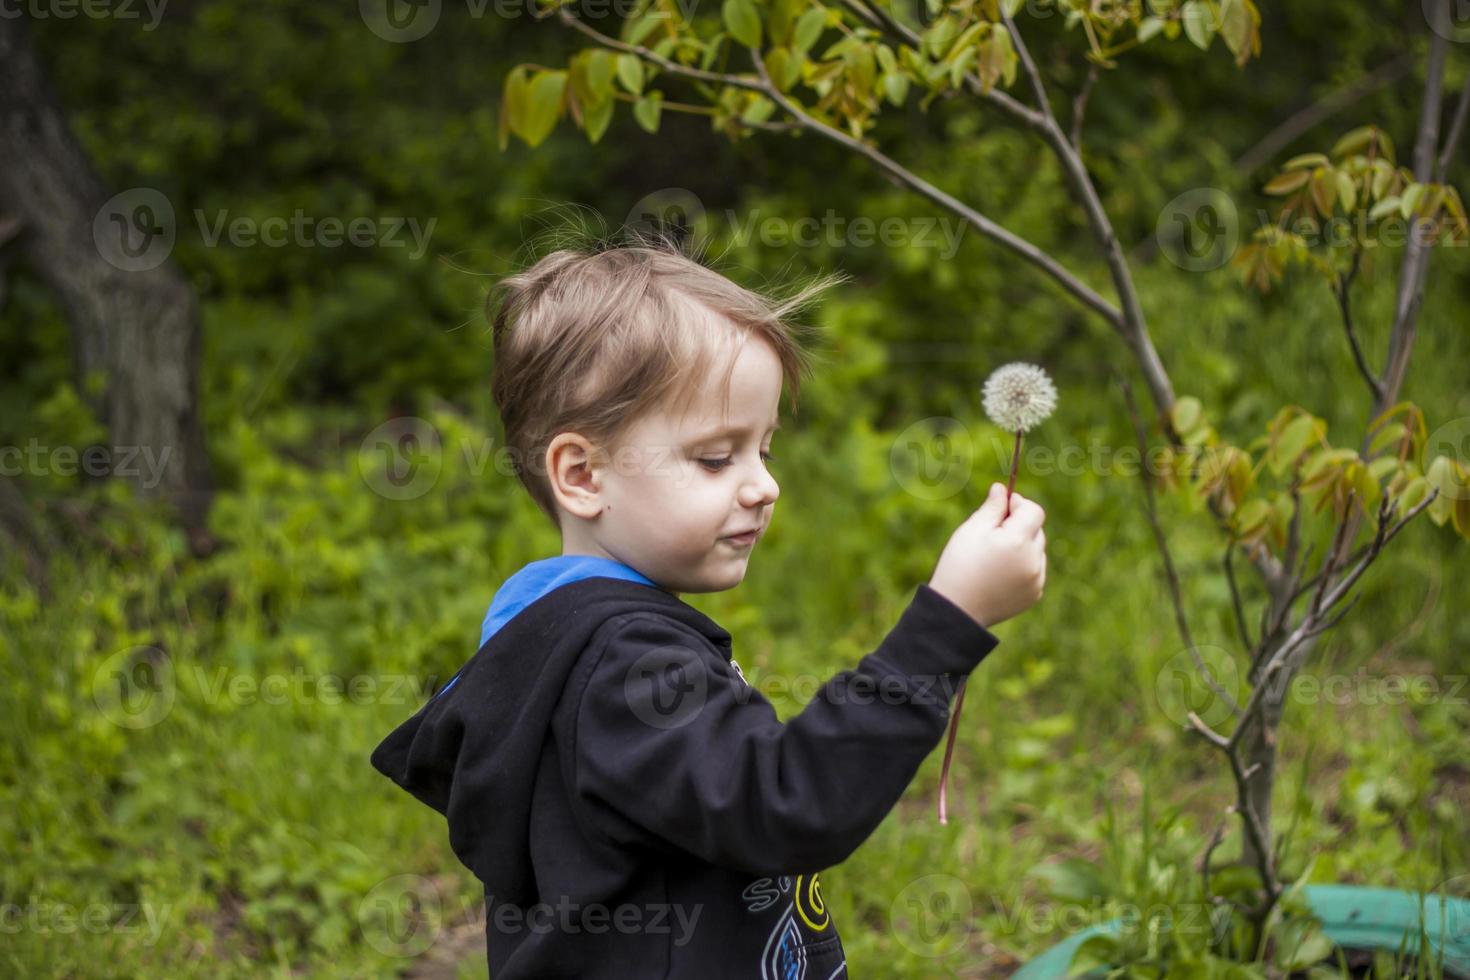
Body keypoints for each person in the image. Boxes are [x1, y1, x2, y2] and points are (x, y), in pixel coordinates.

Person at [370, 230, 1047, 978]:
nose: (764, 485)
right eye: (717, 457)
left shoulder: (549, 640)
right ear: (583, 475)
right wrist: (948, 623)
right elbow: (790, 803)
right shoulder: (622, 671)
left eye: (766, 449)